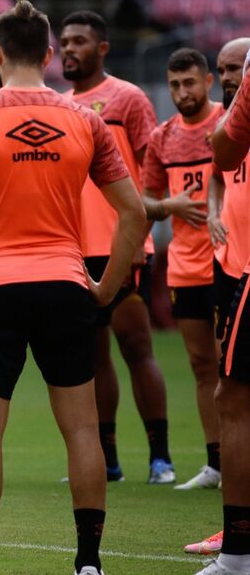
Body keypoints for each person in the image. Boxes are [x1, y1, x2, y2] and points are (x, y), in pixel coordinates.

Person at [0, 0, 145, 575]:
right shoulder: (86, 119)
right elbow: (134, 214)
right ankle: (88, 563)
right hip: (65, 284)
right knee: (84, 430)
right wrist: (103, 287)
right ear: (48, 54)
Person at [60, 10, 172, 484]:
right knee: (91, 356)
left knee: (136, 346)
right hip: (72, 248)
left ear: (102, 47)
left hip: (121, 244)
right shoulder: (58, 107)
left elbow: (151, 168)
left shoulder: (127, 98)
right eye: (64, 41)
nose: (69, 49)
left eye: (79, 41)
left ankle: (160, 458)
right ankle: (107, 461)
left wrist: (144, 229)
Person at [141, 48, 223, 493]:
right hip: (185, 268)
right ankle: (216, 463)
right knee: (201, 365)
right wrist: (168, 206)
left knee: (233, 369)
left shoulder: (229, 123)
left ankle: (237, 456)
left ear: (208, 81)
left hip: (228, 260)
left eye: (189, 83)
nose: (182, 92)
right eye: (174, 84)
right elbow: (144, 200)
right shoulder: (163, 137)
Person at [185, 38, 250, 560]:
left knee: (235, 397)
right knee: (224, 388)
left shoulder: (238, 116)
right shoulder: (224, 124)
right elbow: (218, 172)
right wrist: (212, 208)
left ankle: (237, 543)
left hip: (248, 272)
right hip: (229, 266)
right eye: (224, 69)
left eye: (236, 69)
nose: (229, 77)